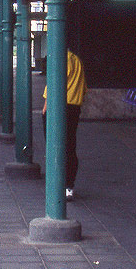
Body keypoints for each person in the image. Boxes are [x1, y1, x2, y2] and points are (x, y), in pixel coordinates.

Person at [43, 49, 87, 201]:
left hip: (59, 106)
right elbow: (83, 87)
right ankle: (68, 184)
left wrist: (45, 106)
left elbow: (55, 83)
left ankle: (59, 182)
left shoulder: (61, 59)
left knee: (55, 144)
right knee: (70, 145)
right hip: (74, 106)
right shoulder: (77, 60)